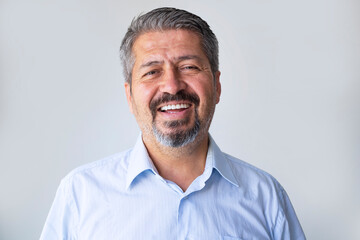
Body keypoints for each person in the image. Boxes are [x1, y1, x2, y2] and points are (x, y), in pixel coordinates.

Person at [40, 7, 306, 240]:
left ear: (217, 85)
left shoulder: (266, 196)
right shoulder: (80, 194)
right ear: (129, 96)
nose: (171, 85)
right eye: (152, 72)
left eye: (189, 67)